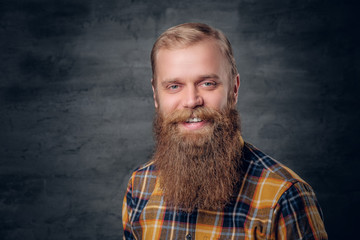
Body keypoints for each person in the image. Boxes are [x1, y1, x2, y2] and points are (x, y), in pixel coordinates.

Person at [122, 23, 327, 240]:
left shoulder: (285, 196)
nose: (192, 101)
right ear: (156, 95)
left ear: (234, 89)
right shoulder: (140, 186)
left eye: (208, 83)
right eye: (174, 86)